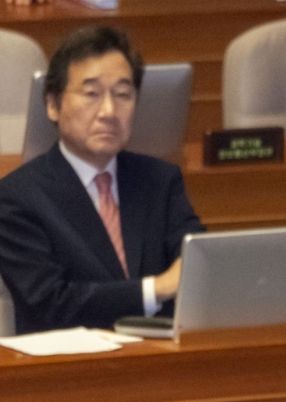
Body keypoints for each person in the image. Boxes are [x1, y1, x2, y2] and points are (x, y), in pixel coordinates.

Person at [0, 25, 203, 334]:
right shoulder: (17, 196)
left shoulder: (160, 181)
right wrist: (156, 289)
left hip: (160, 358)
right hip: (67, 370)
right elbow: (50, 302)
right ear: (53, 105)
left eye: (123, 95)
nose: (109, 111)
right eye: (91, 94)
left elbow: (198, 267)